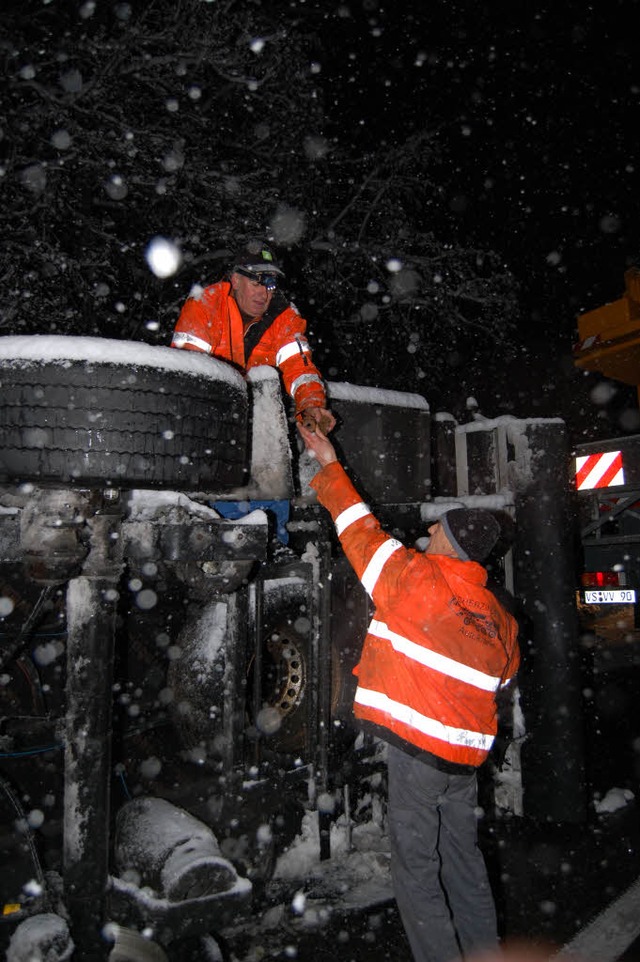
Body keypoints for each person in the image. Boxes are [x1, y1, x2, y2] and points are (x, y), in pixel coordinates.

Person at [297, 422, 520, 962]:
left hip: (417, 759)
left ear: (451, 541)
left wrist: (328, 464)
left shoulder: (415, 580)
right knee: (463, 864)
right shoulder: (498, 615)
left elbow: (356, 527)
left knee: (416, 871)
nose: (431, 533)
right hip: (464, 765)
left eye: (439, 529)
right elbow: (503, 679)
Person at [171, 239, 335, 434]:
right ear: (236, 280)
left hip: (256, 424)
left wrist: (311, 404)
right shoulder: (205, 305)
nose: (263, 293)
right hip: (203, 419)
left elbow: (300, 367)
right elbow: (188, 374)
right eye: (256, 282)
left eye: (270, 284)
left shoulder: (285, 316)